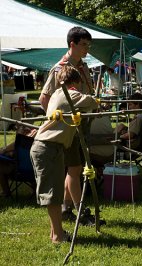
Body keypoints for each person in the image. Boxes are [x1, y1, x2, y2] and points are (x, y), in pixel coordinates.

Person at [30, 65, 99, 244]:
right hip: (48, 147)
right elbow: (91, 101)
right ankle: (58, 237)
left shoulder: (56, 94)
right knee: (52, 195)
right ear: (75, 83)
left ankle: (56, 233)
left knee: (55, 192)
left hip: (49, 147)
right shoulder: (70, 94)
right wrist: (97, 100)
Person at [38, 26, 95, 223]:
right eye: (83, 45)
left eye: (89, 45)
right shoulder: (60, 68)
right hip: (69, 127)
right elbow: (44, 98)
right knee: (75, 168)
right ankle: (81, 213)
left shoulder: (83, 66)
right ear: (72, 44)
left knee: (76, 168)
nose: (86, 49)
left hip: (83, 123)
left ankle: (66, 209)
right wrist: (57, 120)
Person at [0, 126, 37, 197]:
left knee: (1, 167)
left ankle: (6, 192)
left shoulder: (18, 143)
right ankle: (35, 190)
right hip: (34, 173)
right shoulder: (38, 143)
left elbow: (2, 151)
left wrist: (5, 151)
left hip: (18, 173)